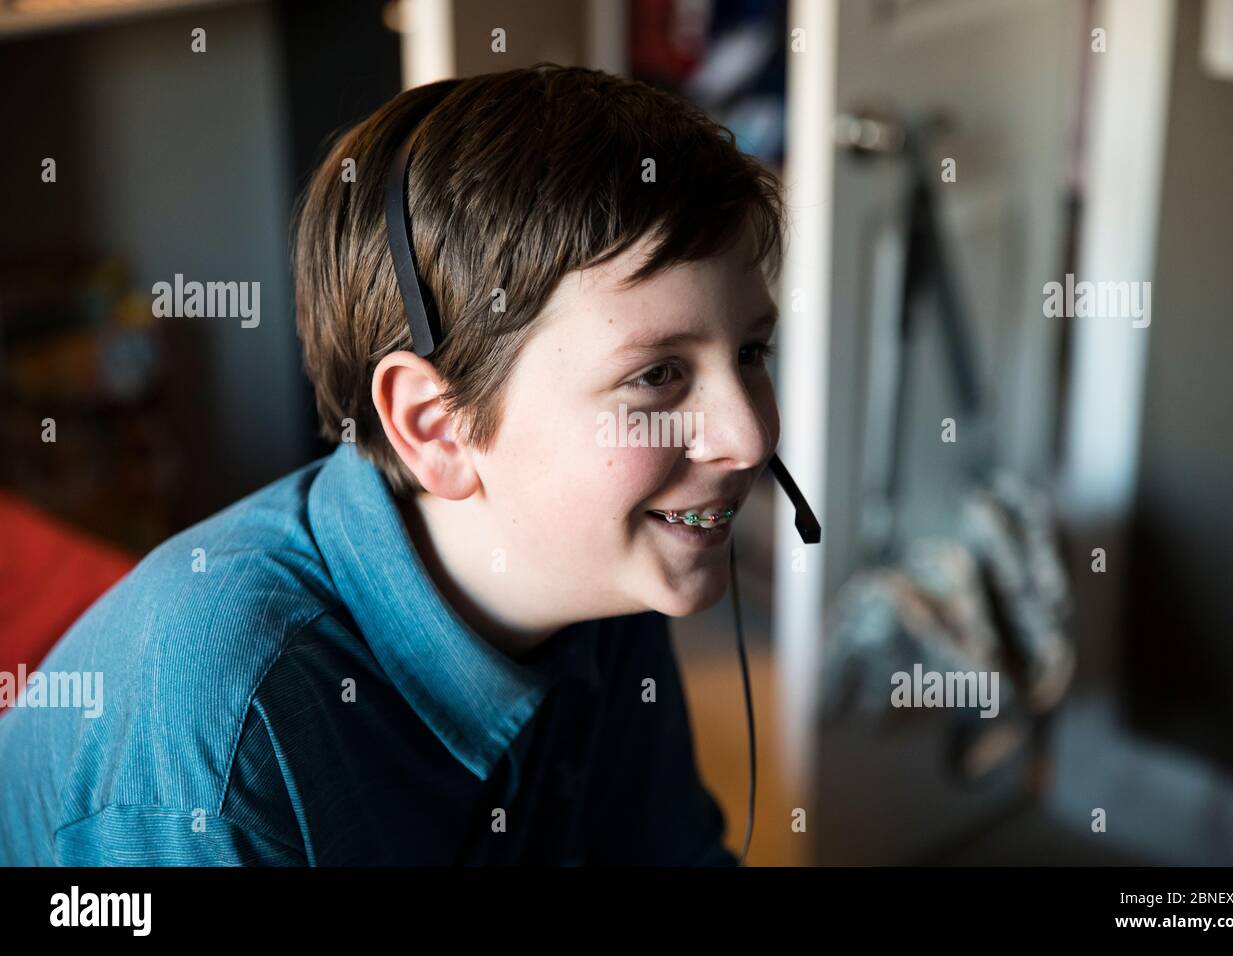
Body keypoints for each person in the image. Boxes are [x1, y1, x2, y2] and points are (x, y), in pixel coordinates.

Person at [0, 64, 787, 865]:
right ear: (434, 425)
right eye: (656, 375)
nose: (751, 438)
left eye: (752, 350)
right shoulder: (225, 751)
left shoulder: (612, 578)